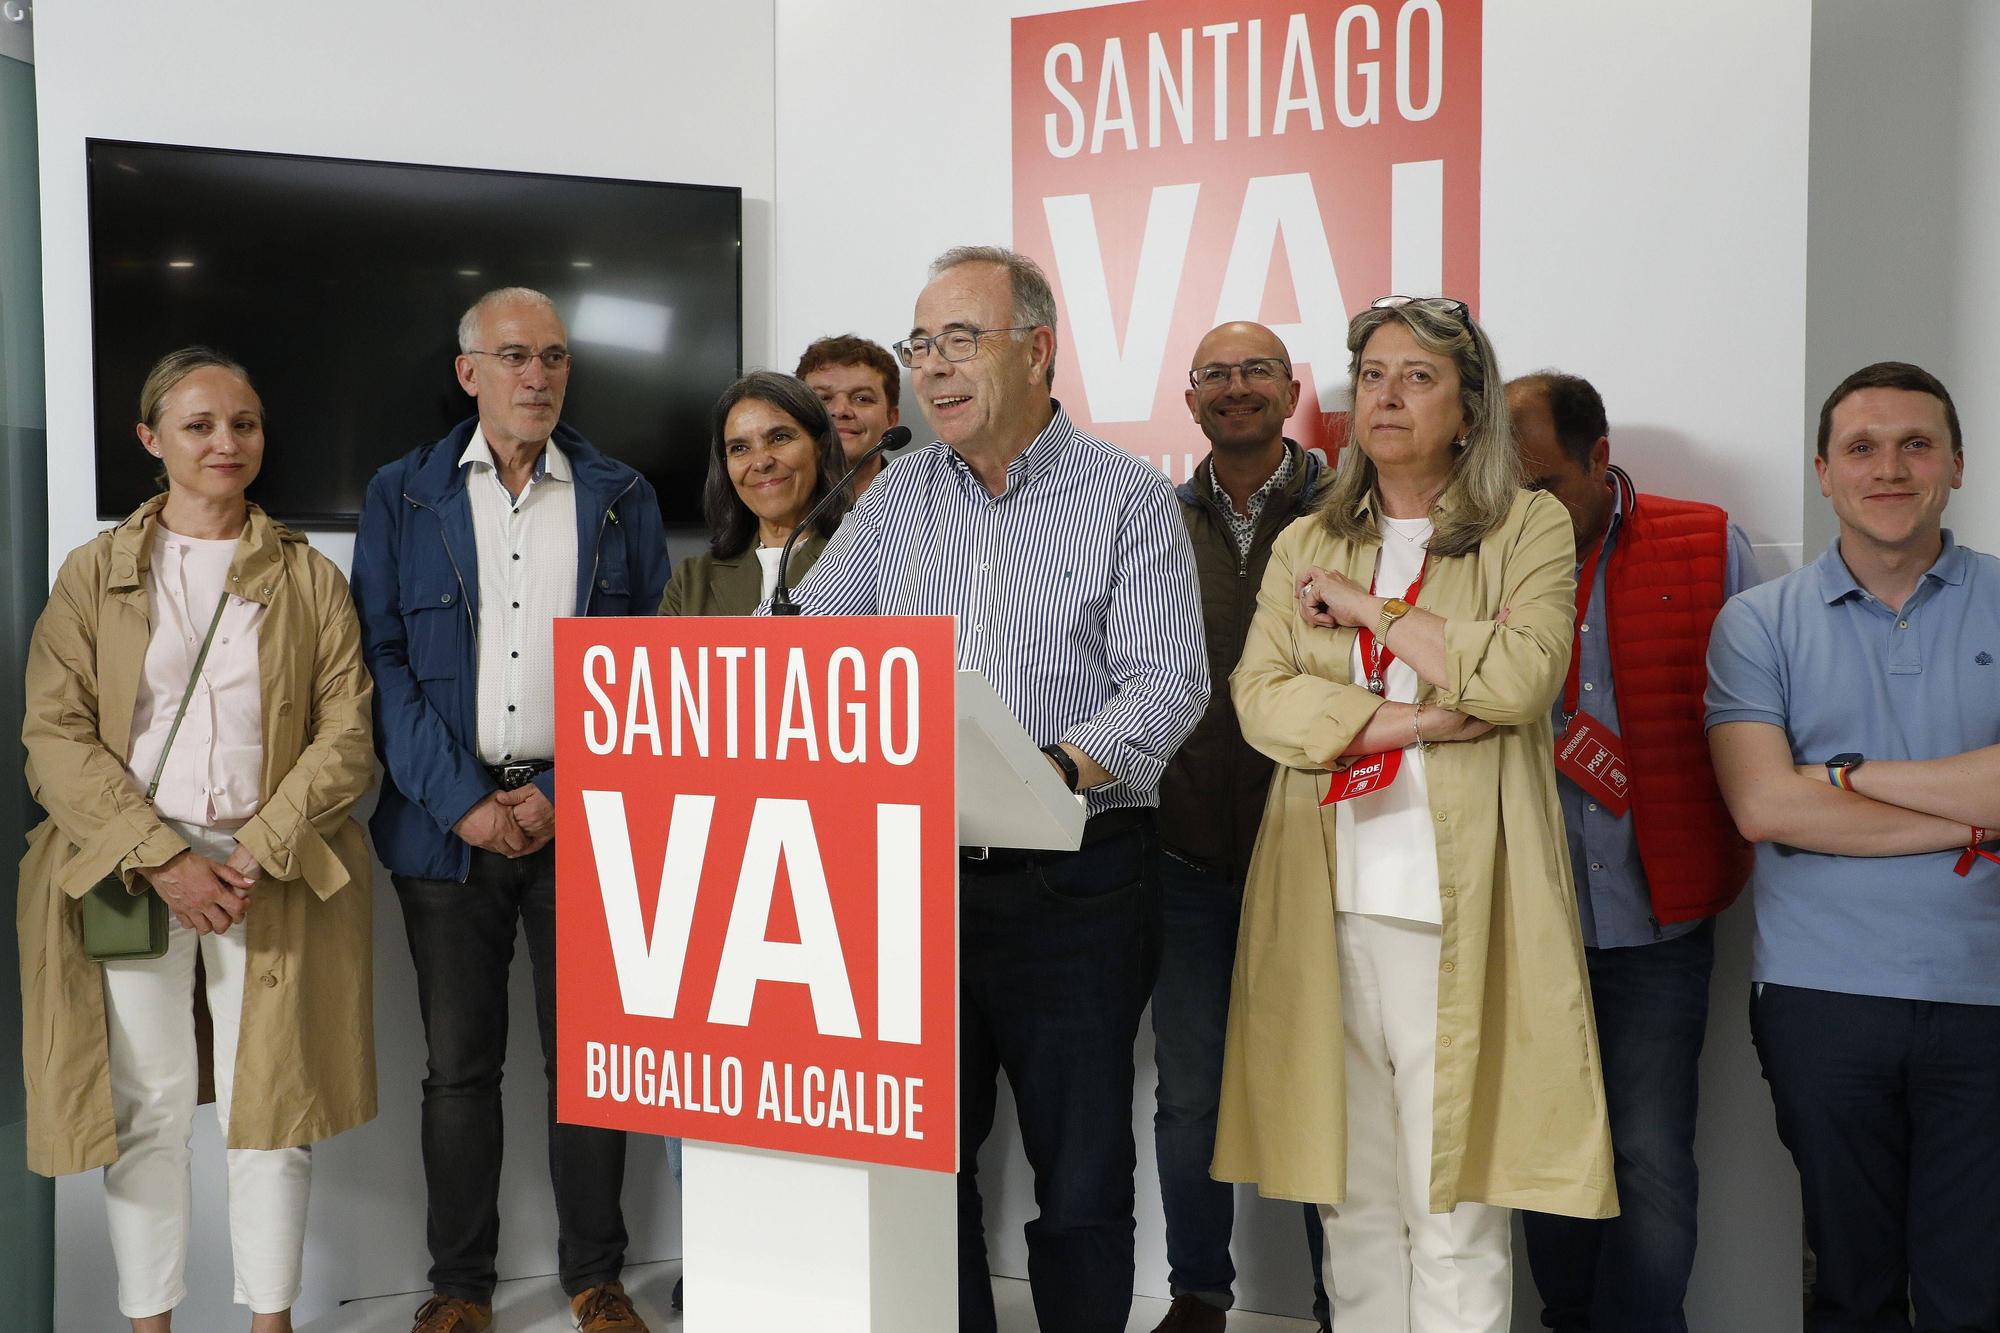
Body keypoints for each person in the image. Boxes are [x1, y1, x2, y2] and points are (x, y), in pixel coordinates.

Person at [776, 245, 1207, 1333]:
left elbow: (1168, 681)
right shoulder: (894, 499)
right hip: (915, 882)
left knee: (1078, 1175)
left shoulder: (1124, 497)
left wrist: (1050, 768)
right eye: (920, 344)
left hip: (1077, 884)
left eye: (959, 339)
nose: (933, 368)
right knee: (925, 1159)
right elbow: (810, 644)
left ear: (1037, 349)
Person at [1213, 296, 1617, 1333]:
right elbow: (1262, 699)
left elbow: (1520, 680)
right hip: (1323, 903)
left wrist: (1368, 612)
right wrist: (1424, 716)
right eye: (1373, 377)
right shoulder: (1310, 535)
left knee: (1455, 1210)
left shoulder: (1523, 523)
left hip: (1458, 910)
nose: (1386, 397)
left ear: (1469, 406)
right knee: (1350, 1201)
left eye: (1418, 377)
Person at [19, 347, 377, 1332]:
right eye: (200, 425)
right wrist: (163, 856)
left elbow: (348, 731)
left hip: (275, 865)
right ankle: (150, 1323)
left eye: (244, 423)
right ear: (151, 439)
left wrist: (259, 845)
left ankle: (271, 1322)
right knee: (149, 1108)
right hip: (129, 869)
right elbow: (54, 733)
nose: (227, 442)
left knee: (274, 1111)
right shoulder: (93, 573)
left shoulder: (309, 576)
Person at [350, 287, 670, 1333]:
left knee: (593, 1063)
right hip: (445, 832)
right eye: (516, 357)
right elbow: (381, 665)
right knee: (457, 1070)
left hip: (585, 821)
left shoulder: (619, 492)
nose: (537, 376)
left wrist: (557, 796)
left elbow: (647, 675)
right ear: (468, 372)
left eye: (555, 358)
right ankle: (460, 1286)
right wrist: (465, 804)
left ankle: (595, 1275)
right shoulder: (402, 494)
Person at [1706, 361, 2000, 1331]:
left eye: (1914, 443)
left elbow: (1798, 794)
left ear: (1954, 464)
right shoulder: (1756, 622)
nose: (1888, 467)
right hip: (1820, 998)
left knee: (1974, 1290)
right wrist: (1971, 812)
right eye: (1860, 447)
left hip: (1985, 993)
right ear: (1823, 472)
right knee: (1850, 1285)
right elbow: (1760, 807)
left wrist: (1836, 773)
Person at [1506, 371, 1756, 1333]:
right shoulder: (1487, 557)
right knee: (1549, 1153)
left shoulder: (1705, 542)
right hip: (1534, 919)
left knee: (1650, 1154)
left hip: (1657, 915)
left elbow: (1754, 714)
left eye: (1542, 484)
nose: (1524, 507)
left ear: (1600, 461)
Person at [1150, 320, 1332, 1333]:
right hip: (1183, 856)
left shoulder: (1342, 509)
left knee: (1318, 1083)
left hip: (1313, 848)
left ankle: (1333, 1298)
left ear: (1289, 389)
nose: (1234, 388)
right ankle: (1196, 1293)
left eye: (1253, 369)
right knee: (1188, 1096)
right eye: (1214, 374)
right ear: (1188, 402)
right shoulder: (1152, 516)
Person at [660, 370, 846, 615]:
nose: (760, 462)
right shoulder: (690, 583)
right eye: (739, 448)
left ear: (821, 446)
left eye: (779, 438)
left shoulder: (862, 561)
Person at [797, 333, 902, 498]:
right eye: (823, 398)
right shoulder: (772, 506)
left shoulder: (924, 507)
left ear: (891, 418)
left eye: (862, 398)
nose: (840, 410)